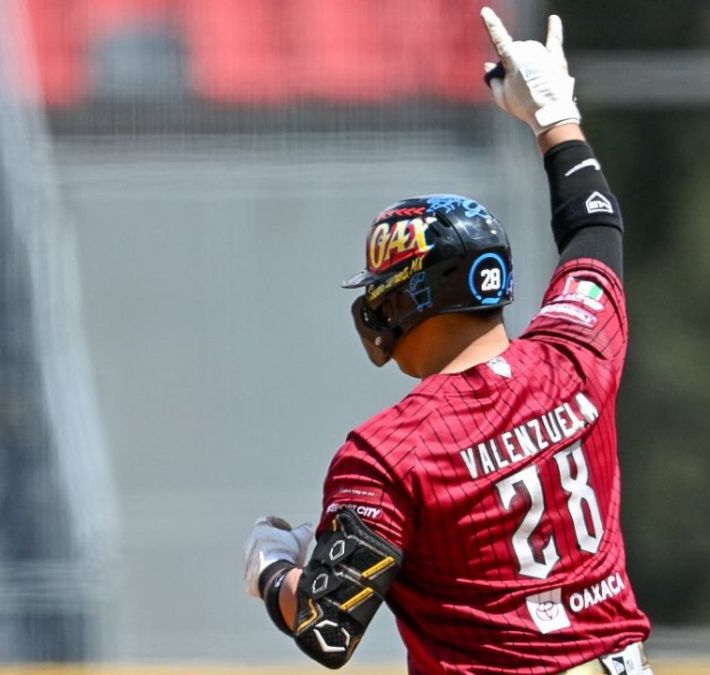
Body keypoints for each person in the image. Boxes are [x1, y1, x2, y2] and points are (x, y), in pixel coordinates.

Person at [242, 8, 652, 673]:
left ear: (409, 297)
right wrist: (554, 117)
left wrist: (272, 567)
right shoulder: (574, 355)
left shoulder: (388, 453)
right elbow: (595, 230)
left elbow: (327, 625)